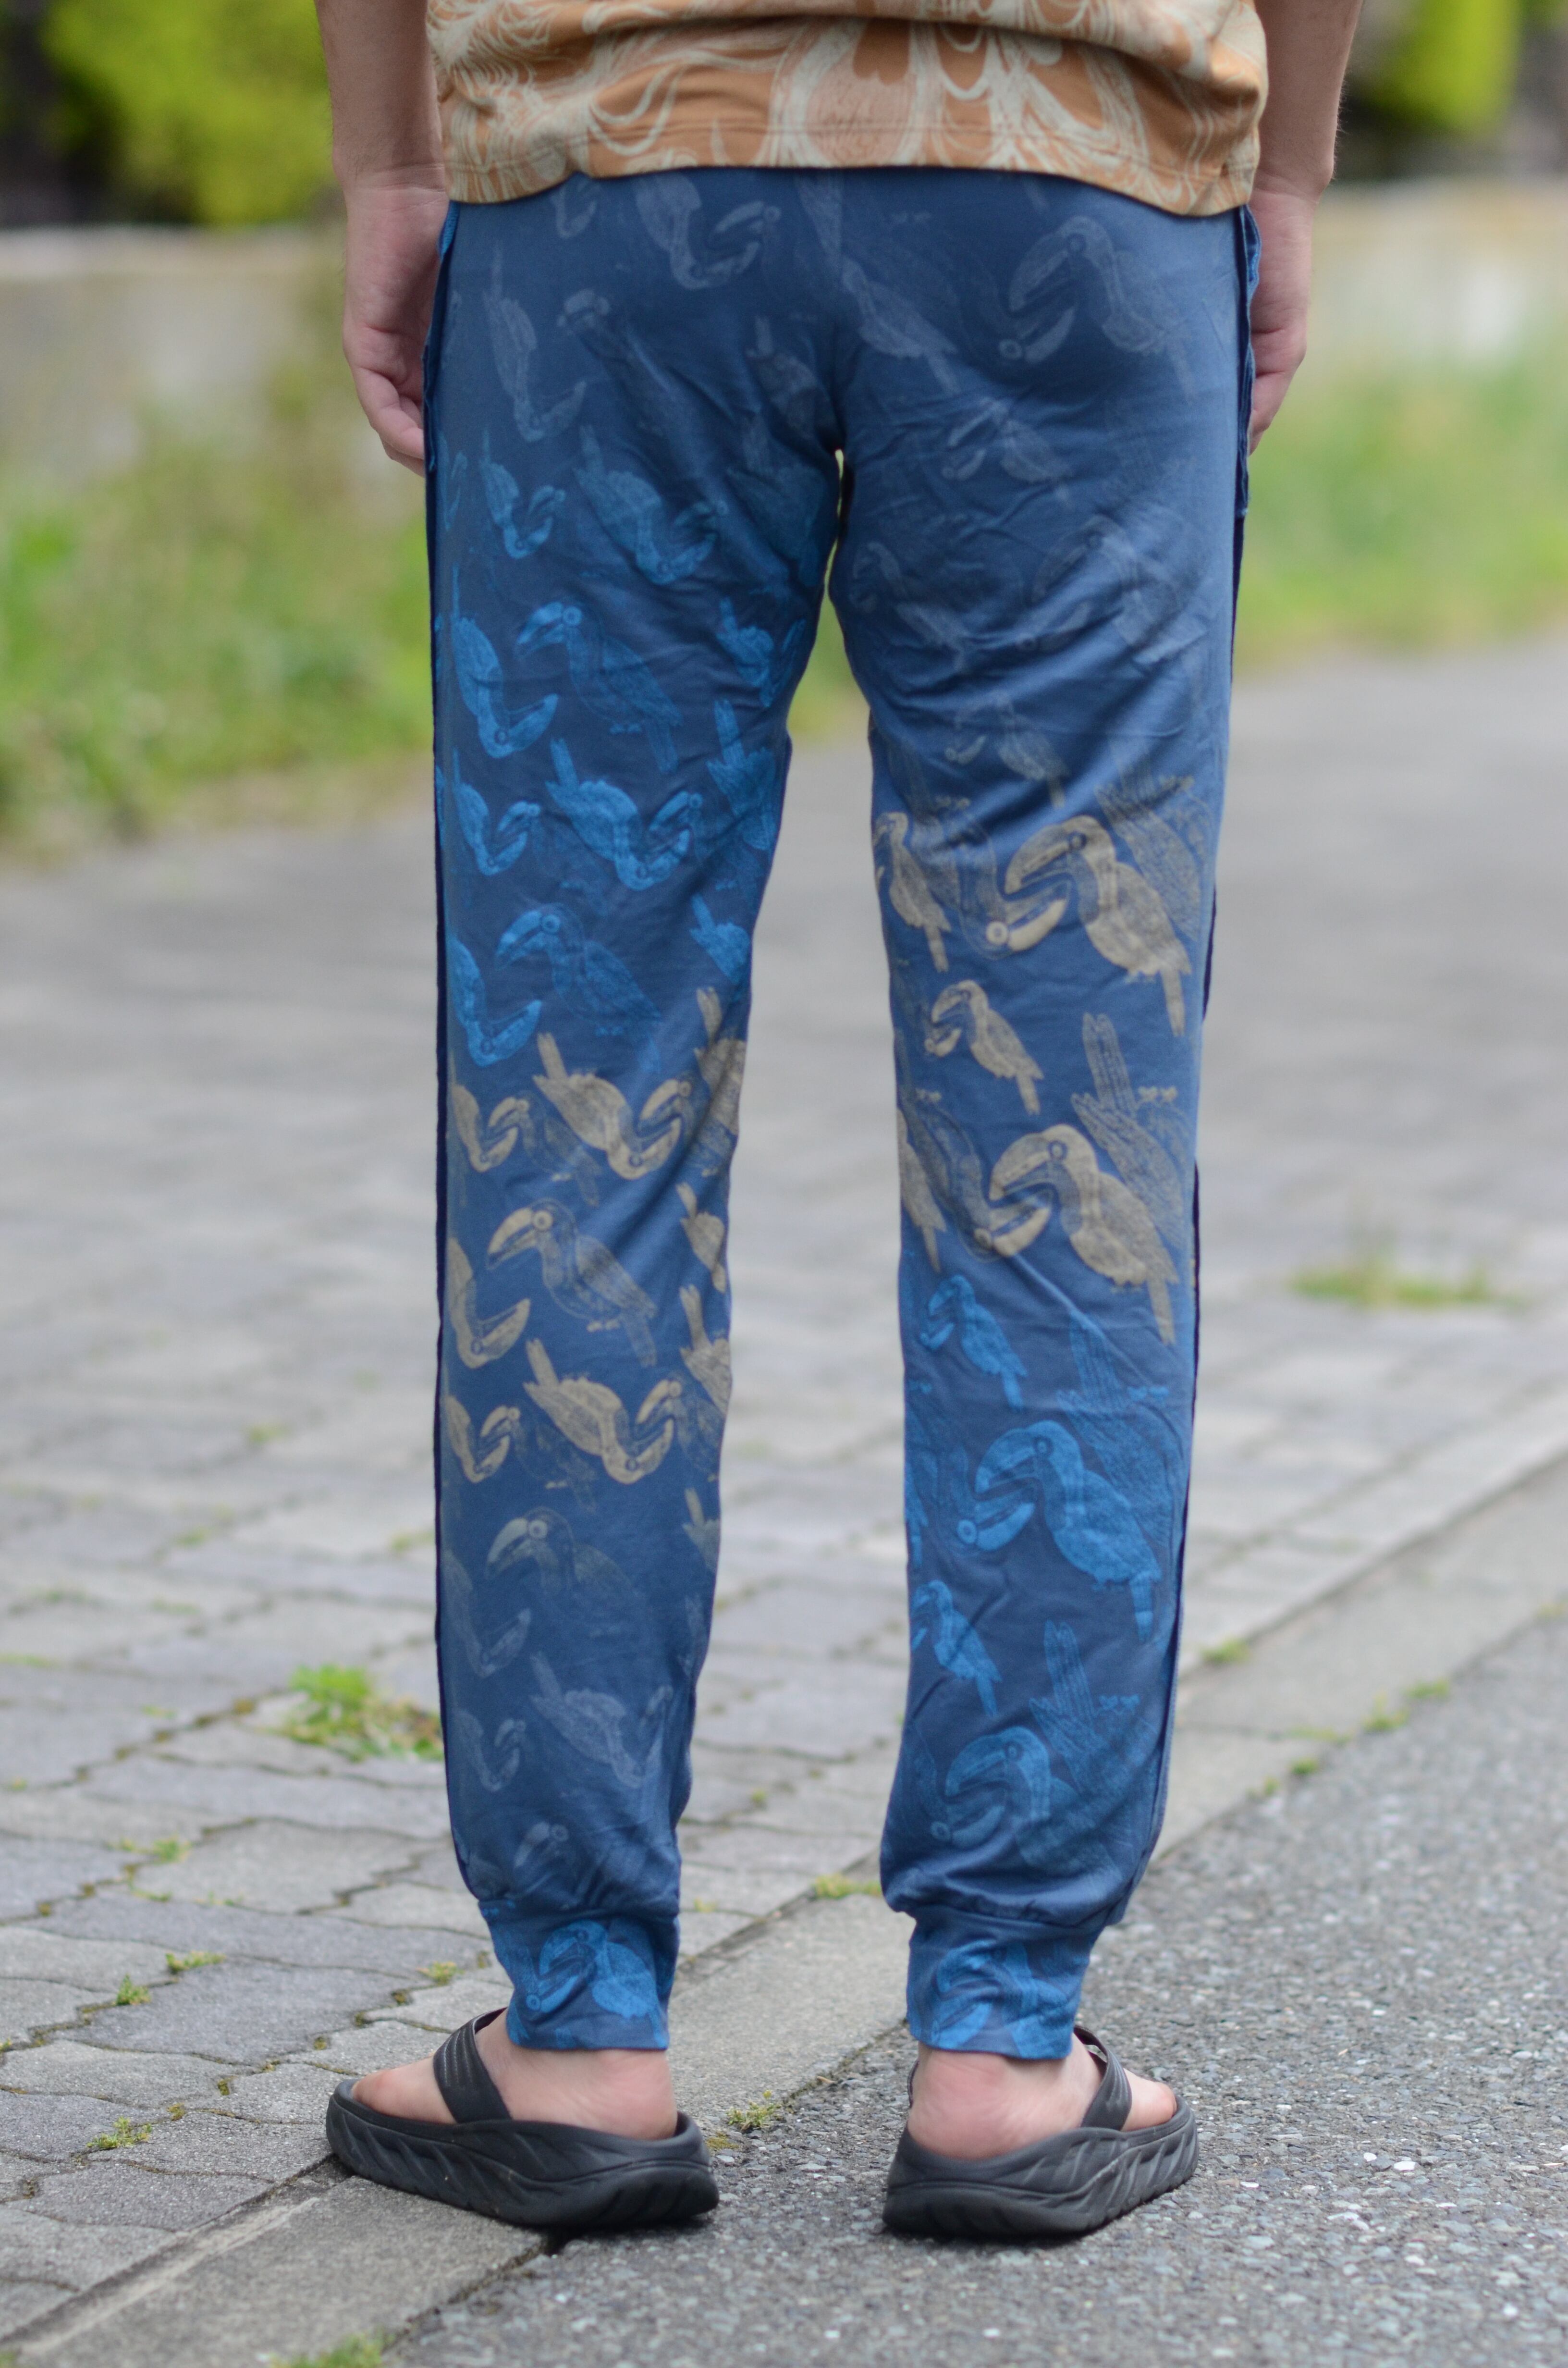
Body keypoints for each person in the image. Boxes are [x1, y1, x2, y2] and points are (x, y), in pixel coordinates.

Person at [313, 0, 1360, 2241]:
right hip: (1078, 180)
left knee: (574, 1107)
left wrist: (390, 165)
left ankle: (577, 2028)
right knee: (1065, 1141)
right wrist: (1287, 170)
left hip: (610, 189)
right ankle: (1003, 2044)